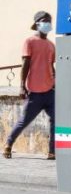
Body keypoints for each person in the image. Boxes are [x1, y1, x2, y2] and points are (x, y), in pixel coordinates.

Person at [4, 11, 55, 160]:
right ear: (37, 23)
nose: (48, 24)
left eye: (50, 21)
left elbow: (51, 66)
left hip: (50, 91)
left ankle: (52, 151)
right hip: (35, 92)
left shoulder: (51, 45)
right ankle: (8, 144)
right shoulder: (30, 42)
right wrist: (21, 86)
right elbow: (25, 64)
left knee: (56, 121)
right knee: (24, 121)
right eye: (45, 21)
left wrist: (55, 82)